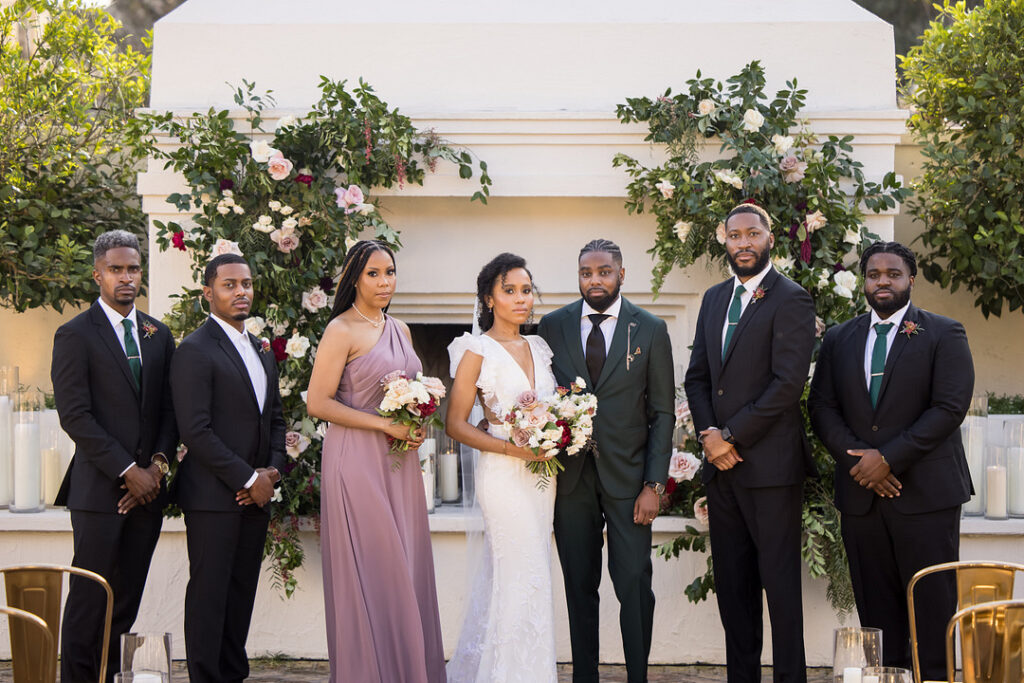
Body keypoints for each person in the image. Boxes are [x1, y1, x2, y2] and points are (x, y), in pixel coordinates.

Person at [809, 241, 973, 679]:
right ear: (864, 281)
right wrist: (862, 465)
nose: (883, 281)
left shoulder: (944, 333)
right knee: (876, 619)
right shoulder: (840, 338)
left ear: (910, 280)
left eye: (893, 274)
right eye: (874, 274)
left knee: (933, 612)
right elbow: (821, 406)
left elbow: (949, 407)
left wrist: (889, 459)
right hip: (862, 498)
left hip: (926, 497)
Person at [683, 204, 815, 683]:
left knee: (780, 593)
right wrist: (709, 437)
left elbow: (787, 383)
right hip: (723, 472)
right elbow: (697, 378)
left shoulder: (792, 299)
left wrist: (730, 436)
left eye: (752, 234)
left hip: (772, 470)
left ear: (770, 238)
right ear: (725, 240)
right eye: (734, 235)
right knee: (734, 592)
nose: (743, 243)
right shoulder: (714, 299)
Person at [306, 240, 445, 683]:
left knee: (406, 564)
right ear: (354, 277)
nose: (384, 282)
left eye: (390, 272)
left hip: (399, 462)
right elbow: (317, 403)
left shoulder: (400, 329)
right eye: (373, 274)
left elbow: (408, 393)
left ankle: (407, 670)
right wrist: (383, 425)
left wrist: (417, 418)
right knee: (374, 564)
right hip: (356, 461)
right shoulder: (341, 330)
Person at [538, 239, 675, 683]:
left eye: (603, 272)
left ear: (621, 274)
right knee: (579, 588)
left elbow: (662, 413)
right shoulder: (552, 326)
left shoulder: (650, 329)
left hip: (630, 482)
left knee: (634, 583)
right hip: (571, 480)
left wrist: (654, 485)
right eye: (586, 273)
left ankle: (638, 676)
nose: (594, 280)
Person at [51, 229, 177, 683]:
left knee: (124, 603)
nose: (126, 278)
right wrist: (127, 472)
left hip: (147, 495)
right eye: (116, 269)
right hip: (98, 492)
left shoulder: (158, 335)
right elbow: (75, 416)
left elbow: (168, 408)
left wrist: (156, 469)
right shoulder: (74, 335)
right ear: (97, 274)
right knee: (89, 601)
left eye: (133, 269)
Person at [170, 253, 286, 683]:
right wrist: (247, 477)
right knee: (209, 595)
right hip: (213, 498)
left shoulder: (259, 348)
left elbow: (274, 418)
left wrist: (271, 473)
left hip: (256, 496)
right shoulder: (195, 350)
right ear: (208, 292)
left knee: (240, 594)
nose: (241, 292)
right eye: (230, 285)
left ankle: (233, 675)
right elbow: (195, 431)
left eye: (247, 284)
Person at [446, 252, 560, 683]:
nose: (520, 299)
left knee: (533, 574)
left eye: (526, 290)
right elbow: (455, 424)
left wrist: (560, 432)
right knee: (516, 570)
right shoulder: (475, 349)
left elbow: (552, 408)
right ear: (489, 299)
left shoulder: (539, 347)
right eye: (509, 291)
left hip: (541, 478)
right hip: (503, 476)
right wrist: (511, 450)